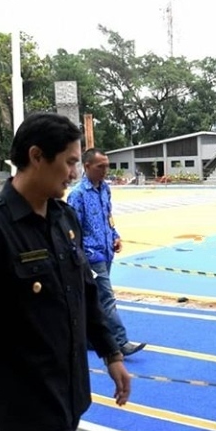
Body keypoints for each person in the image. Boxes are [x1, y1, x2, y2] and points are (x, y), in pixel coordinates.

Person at [0, 112, 131, 431]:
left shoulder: (64, 220)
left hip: (69, 398)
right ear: (36, 156)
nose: (74, 173)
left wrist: (112, 353)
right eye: (69, 162)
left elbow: (85, 291)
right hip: (23, 409)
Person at [67, 148, 147, 357]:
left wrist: (115, 235)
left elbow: (107, 216)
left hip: (106, 251)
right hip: (91, 256)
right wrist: (80, 256)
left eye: (107, 166)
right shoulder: (78, 195)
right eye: (100, 166)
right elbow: (72, 229)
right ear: (86, 167)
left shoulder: (104, 189)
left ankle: (86, 339)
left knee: (91, 298)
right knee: (107, 298)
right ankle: (121, 341)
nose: (105, 170)